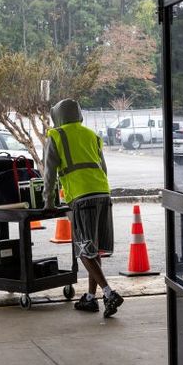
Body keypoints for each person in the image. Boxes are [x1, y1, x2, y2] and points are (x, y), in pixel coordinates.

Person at [43, 98, 123, 318]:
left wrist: (48, 203)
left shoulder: (56, 136)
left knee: (83, 249)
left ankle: (108, 293)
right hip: (102, 193)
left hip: (81, 197)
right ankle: (90, 298)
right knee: (93, 248)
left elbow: (49, 174)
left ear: (57, 116)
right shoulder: (92, 136)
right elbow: (103, 168)